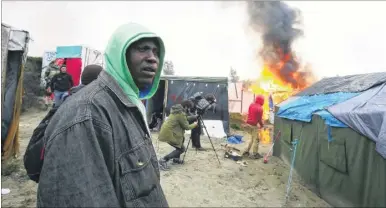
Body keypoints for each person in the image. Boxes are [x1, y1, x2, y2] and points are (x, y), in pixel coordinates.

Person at [37, 23, 169, 207]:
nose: (152, 58)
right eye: (143, 49)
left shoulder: (127, 104)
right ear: (120, 55)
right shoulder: (86, 114)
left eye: (156, 52)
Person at [158, 104, 198, 170]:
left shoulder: (174, 112)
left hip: (165, 132)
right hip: (169, 134)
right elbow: (187, 127)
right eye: (188, 108)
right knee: (181, 149)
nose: (188, 110)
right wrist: (195, 124)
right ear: (185, 107)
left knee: (180, 143)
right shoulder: (180, 114)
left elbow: (184, 119)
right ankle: (163, 160)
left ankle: (176, 159)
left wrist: (194, 117)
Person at [242, 95, 265, 159]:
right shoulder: (260, 108)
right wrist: (262, 125)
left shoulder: (251, 105)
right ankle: (255, 154)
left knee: (252, 138)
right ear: (261, 101)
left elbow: (249, 114)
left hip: (247, 124)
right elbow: (259, 119)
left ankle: (246, 151)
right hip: (253, 126)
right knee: (256, 139)